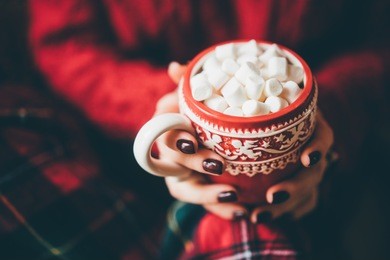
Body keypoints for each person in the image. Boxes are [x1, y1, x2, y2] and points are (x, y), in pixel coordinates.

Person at [1, 0, 386, 259]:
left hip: (319, 178)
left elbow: (377, 40)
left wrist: (328, 109)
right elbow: (63, 44)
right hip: (125, 170)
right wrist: (164, 110)